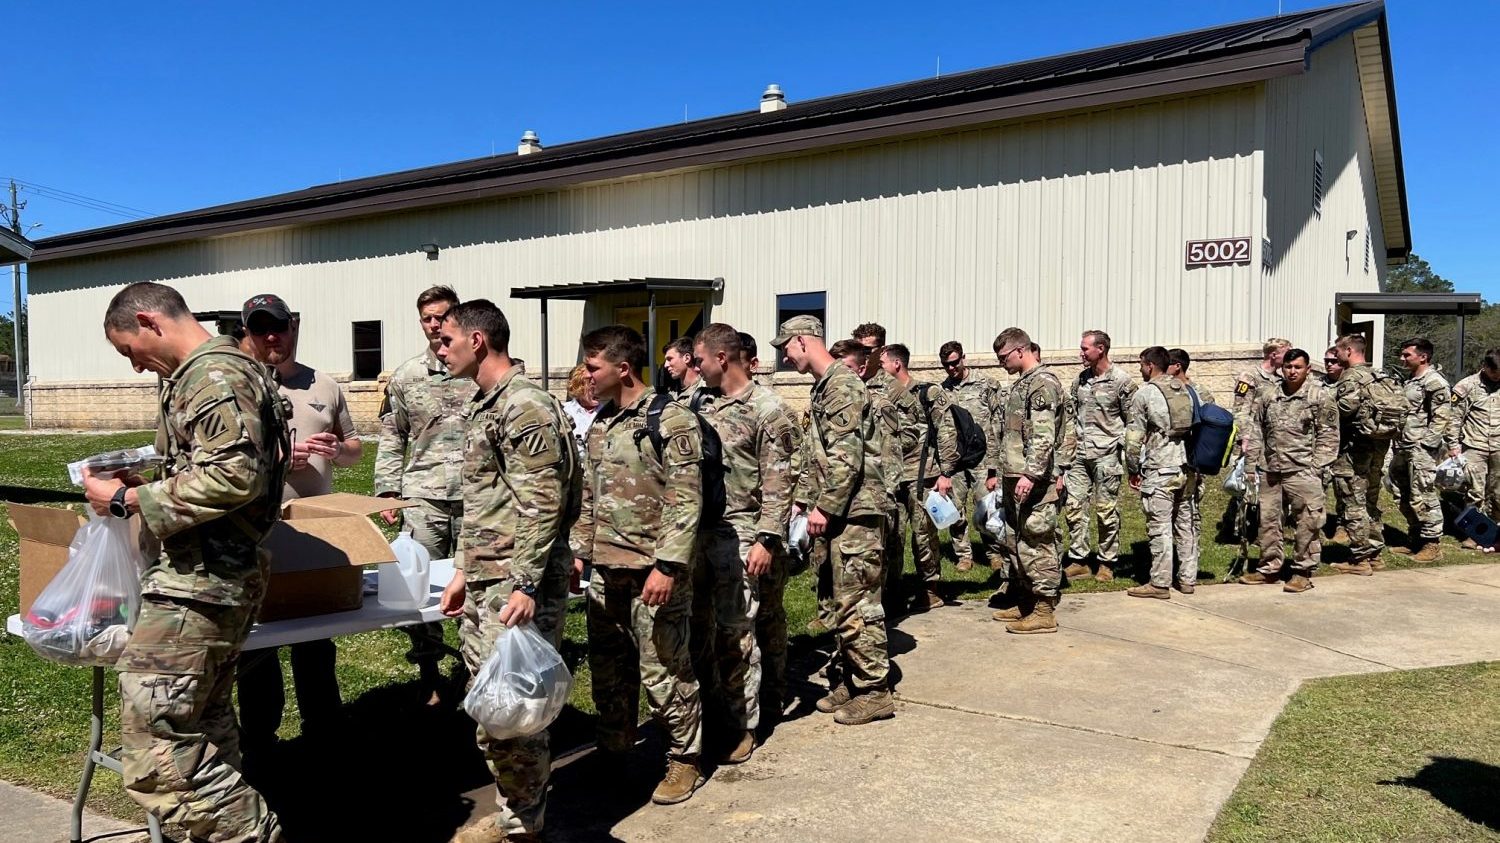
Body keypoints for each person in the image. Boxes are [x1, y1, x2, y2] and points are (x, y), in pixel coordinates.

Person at [84, 281, 286, 841]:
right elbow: (221, 471)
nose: (133, 367)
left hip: (201, 584)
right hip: (210, 577)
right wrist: (149, 484)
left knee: (157, 754)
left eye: (129, 351)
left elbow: (236, 476)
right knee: (204, 728)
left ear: (148, 322)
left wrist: (128, 500)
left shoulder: (213, 376)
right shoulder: (213, 373)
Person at [433, 300, 581, 843]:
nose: (438, 348)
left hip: (517, 582)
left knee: (517, 709)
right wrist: (463, 572)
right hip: (489, 576)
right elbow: (487, 503)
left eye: (446, 339)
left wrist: (523, 583)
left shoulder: (523, 406)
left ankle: (523, 824)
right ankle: (518, 809)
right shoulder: (487, 402)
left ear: (477, 341)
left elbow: (542, 502)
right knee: (494, 704)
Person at [571, 325, 706, 804]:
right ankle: (614, 751)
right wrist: (579, 552)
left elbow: (686, 500)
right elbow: (590, 494)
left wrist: (668, 567)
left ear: (622, 368)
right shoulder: (602, 422)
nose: (586, 376)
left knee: (664, 669)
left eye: (592, 368)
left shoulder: (670, 420)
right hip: (605, 570)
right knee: (609, 670)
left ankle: (684, 758)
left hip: (653, 570)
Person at [235, 293, 364, 748]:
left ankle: (323, 730)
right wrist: (278, 460)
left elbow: (354, 448)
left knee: (316, 638)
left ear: (293, 327)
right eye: (260, 328)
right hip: (258, 531)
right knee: (258, 639)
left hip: (315, 529)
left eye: (279, 327)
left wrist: (337, 450)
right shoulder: (239, 386)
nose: (272, 336)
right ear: (247, 333)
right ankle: (260, 736)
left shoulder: (323, 385)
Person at [776, 315, 895, 725]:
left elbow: (848, 458)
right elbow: (819, 456)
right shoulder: (825, 387)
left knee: (858, 601)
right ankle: (851, 679)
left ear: (804, 341)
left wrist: (824, 506)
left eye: (786, 347)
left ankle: (875, 690)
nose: (785, 357)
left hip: (856, 511)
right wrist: (803, 501)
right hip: (837, 511)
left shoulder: (843, 386)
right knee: (835, 600)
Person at [689, 324, 798, 761]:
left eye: (699, 360)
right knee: (703, 630)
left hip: (745, 535)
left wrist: (767, 539)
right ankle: (715, 710)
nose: (694, 368)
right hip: (701, 535)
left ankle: (742, 724)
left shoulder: (768, 410)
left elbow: (780, 480)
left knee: (738, 634)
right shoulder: (698, 403)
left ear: (722, 359)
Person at [374, 285, 468, 706]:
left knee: (475, 584)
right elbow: (393, 436)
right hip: (423, 498)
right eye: (427, 318)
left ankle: (471, 668)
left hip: (475, 498)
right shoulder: (407, 375)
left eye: (442, 316)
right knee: (419, 589)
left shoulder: (477, 368)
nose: (434, 325)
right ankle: (429, 671)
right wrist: (388, 490)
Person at [988, 328, 1073, 634]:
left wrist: (1031, 474)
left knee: (1038, 542)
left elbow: (1043, 435)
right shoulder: (1022, 385)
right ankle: (1026, 601)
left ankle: (1044, 610)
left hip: (1034, 480)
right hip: (1014, 477)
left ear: (1020, 351)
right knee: (1016, 542)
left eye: (1004, 357)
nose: (1001, 364)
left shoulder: (1043, 384)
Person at [1239, 349, 1339, 592]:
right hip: (1271, 469)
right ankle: (1269, 568)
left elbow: (1329, 436)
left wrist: (1316, 468)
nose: (1292, 372)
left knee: (1307, 522)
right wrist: (1251, 465)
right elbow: (1256, 430)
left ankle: (1302, 571)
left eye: (1297, 367)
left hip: (1303, 471)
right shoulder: (1268, 393)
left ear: (1308, 369)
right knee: (1268, 521)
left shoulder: (1319, 396)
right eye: (1288, 367)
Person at [831, 339, 909, 620]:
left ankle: (883, 609)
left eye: (849, 368)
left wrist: (885, 493)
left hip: (873, 496)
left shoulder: (878, 404)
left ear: (863, 368)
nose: (843, 374)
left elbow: (890, 454)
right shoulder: (835, 401)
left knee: (875, 564)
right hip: (844, 497)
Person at [882, 343, 960, 611]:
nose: (879, 369)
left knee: (923, 535)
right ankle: (893, 591)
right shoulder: (883, 394)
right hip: (893, 477)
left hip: (923, 476)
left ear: (896, 364)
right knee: (893, 536)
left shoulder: (927, 392)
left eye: (882, 363)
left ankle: (930, 588)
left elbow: (947, 431)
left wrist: (946, 472)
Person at [1064, 330, 1137, 583]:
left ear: (1101, 349)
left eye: (1085, 349)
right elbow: (1071, 417)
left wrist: (1131, 458)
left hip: (1107, 455)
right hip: (1079, 456)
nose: (1081, 353)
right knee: (1074, 507)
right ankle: (1079, 559)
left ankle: (1107, 562)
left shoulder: (1122, 382)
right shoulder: (1080, 381)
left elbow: (1134, 422)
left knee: (1106, 510)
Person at [1124, 347, 1193, 599]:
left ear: (1150, 366)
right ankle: (1187, 579)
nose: (1140, 370)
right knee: (1185, 525)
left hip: (1160, 468)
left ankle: (1160, 582)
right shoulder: (1185, 389)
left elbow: (1133, 439)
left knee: (1160, 526)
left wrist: (1132, 469)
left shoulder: (1145, 394)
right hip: (1186, 467)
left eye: (1141, 365)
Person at [939, 340, 1007, 572]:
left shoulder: (986, 385)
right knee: (954, 509)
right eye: (946, 365)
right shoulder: (942, 391)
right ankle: (963, 555)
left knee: (987, 509)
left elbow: (998, 424)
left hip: (983, 459)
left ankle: (994, 553)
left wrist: (994, 466)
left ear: (963, 358)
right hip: (956, 461)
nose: (951, 369)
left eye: (954, 363)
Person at [1328, 334, 1390, 573]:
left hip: (1355, 449)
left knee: (1352, 500)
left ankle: (1360, 559)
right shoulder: (1379, 374)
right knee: (1370, 500)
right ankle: (1375, 553)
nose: (1336, 355)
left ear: (1350, 350)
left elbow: (1346, 408)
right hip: (1379, 445)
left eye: (1339, 351)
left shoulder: (1352, 377)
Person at [1390, 337, 1456, 561]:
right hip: (1403, 445)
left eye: (1407, 354)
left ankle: (1432, 543)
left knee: (1424, 493)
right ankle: (1415, 537)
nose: (1402, 358)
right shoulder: (1410, 380)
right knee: (1402, 491)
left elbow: (1442, 416)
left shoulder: (1434, 382)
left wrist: (1427, 444)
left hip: (1421, 449)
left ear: (1423, 356)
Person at [1167, 348, 1213, 587]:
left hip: (1184, 463)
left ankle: (1185, 570)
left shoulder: (1183, 392)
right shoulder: (1202, 392)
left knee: (1185, 517)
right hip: (1192, 462)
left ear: (1177, 367)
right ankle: (1188, 573)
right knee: (1186, 517)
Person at [1451, 350, 1500, 547]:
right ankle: (1474, 533)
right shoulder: (1467, 386)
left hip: (1498, 445)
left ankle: (1496, 530)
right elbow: (1453, 418)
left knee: (1498, 491)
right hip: (1474, 445)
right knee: (1475, 491)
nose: (1498, 377)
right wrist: (1453, 445)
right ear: (1486, 367)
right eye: (1495, 373)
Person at [561, 362, 600, 458]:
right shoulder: (564, 411)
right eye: (591, 389)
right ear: (578, 387)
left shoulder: (611, 410)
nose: (597, 392)